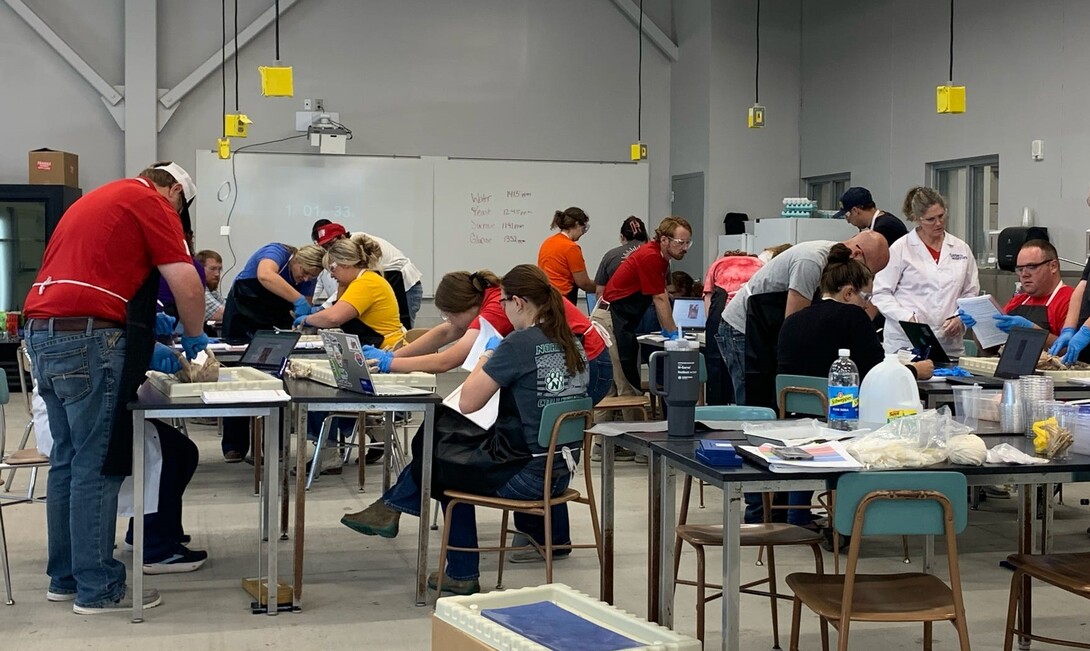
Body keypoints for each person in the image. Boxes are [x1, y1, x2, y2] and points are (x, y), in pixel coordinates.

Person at [23, 161, 208, 613]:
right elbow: (185, 281)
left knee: (67, 461)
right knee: (99, 464)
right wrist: (196, 335)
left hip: (43, 331)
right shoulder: (151, 199)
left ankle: (65, 578)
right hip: (91, 338)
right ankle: (99, 588)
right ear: (176, 194)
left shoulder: (98, 200)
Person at [341, 264, 591, 594]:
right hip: (560, 470)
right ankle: (392, 507)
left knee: (441, 460)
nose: (501, 309)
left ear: (517, 302)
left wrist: (489, 357)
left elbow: (470, 402)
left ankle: (459, 570)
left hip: (526, 475)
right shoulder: (572, 340)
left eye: (502, 303)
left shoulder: (517, 344)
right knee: (445, 441)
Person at [720, 231, 889, 409]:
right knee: (754, 402)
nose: (862, 275)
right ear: (856, 254)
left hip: (768, 323)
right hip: (741, 326)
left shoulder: (832, 258)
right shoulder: (811, 261)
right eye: (868, 270)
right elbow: (795, 327)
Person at [294, 236, 407, 475]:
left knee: (312, 385)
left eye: (332, 268)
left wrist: (307, 319)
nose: (331, 275)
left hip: (379, 355)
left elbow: (333, 318)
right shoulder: (357, 282)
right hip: (367, 351)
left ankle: (329, 450)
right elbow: (334, 309)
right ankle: (370, 427)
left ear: (345, 263)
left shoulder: (366, 283)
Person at [220, 241, 324, 461]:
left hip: (272, 322)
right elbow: (265, 276)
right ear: (296, 260)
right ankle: (234, 444)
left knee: (276, 381)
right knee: (237, 378)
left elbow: (303, 306)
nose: (304, 279)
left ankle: (273, 446)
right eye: (303, 272)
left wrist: (304, 317)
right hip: (242, 313)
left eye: (311, 277)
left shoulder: (307, 277)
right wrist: (296, 298)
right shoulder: (277, 252)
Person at [778, 247, 934, 381]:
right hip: (839, 407)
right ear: (849, 293)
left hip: (791, 410)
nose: (867, 305)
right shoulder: (854, 317)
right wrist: (914, 371)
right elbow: (875, 374)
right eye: (866, 297)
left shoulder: (792, 320)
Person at [593, 216, 693, 408]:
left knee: (615, 388)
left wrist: (668, 329)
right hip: (611, 318)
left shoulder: (661, 258)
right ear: (664, 240)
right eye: (681, 242)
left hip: (617, 317)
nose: (685, 248)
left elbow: (662, 293)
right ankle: (628, 434)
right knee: (627, 388)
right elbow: (659, 298)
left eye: (688, 242)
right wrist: (673, 336)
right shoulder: (651, 256)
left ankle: (606, 438)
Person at [871, 186, 979, 357]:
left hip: (949, 342)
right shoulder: (901, 248)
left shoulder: (961, 249)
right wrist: (907, 318)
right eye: (930, 219)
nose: (938, 223)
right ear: (917, 219)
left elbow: (971, 292)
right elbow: (880, 292)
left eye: (941, 216)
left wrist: (960, 318)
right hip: (906, 341)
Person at [959, 240, 1072, 348]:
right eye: (1020, 269)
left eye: (1032, 267)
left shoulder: (1071, 300)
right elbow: (989, 351)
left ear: (1053, 266)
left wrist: (1032, 331)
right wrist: (980, 327)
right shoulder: (1018, 301)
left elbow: (1071, 351)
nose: (1024, 274)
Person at [315, 222, 425, 328]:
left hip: (407, 286)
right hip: (394, 283)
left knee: (405, 329)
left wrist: (325, 308)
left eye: (330, 244)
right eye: (325, 246)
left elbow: (348, 284)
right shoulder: (356, 256)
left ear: (342, 237)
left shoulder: (356, 251)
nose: (329, 249)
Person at [538, 207, 596, 305]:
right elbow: (583, 283)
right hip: (564, 300)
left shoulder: (547, 242)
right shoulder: (571, 248)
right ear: (577, 224)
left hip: (545, 299)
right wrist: (602, 287)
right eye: (583, 228)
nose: (583, 233)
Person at [833, 186, 909, 246]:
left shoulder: (884, 228)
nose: (848, 221)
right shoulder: (885, 220)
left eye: (847, 216)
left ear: (855, 211)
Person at [594, 215, 648, 289]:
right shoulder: (657, 255)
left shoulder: (610, 256)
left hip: (616, 300)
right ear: (646, 237)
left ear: (622, 237)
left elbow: (599, 291)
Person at [196, 249, 226, 322]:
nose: (217, 274)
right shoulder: (198, 289)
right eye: (212, 269)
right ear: (199, 269)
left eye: (219, 269)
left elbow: (227, 307)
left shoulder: (212, 290)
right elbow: (224, 313)